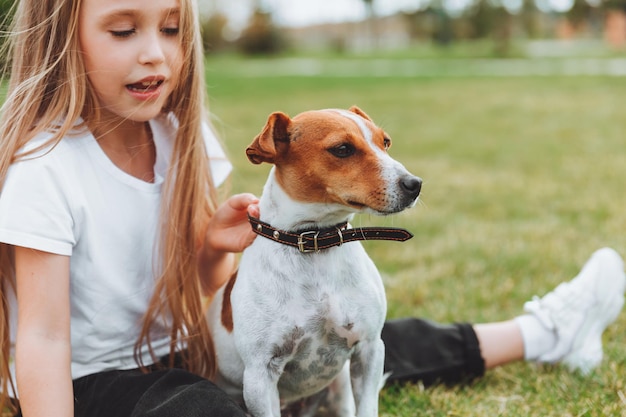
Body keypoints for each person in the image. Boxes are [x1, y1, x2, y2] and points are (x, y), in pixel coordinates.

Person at [0, 2, 623, 417]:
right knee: (204, 407)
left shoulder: (181, 140)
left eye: (170, 28)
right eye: (122, 30)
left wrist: (212, 249)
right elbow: (46, 337)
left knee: (363, 341)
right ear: (62, 34)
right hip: (96, 381)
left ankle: (547, 331)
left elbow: (205, 297)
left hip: (192, 347)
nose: (156, 54)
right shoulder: (44, 168)